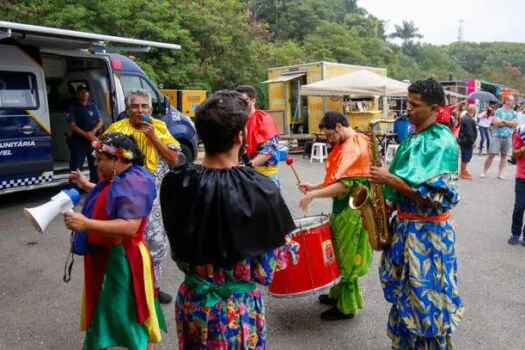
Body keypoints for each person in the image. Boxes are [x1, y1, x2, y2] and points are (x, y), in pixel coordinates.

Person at [160, 90, 298, 348]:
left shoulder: (176, 181)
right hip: (236, 310)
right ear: (240, 136)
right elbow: (269, 268)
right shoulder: (259, 188)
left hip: (192, 302)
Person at [370, 79, 464, 349]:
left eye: (414, 105)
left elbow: (438, 198)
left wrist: (391, 181)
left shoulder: (441, 140)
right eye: (407, 103)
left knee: (428, 303)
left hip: (428, 236)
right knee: (406, 298)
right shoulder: (412, 137)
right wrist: (387, 203)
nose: (407, 109)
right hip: (406, 230)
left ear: (434, 108)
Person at [65, 133, 166, 350]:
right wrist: (87, 185)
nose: (96, 162)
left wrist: (86, 224)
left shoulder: (135, 181)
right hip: (110, 255)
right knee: (108, 305)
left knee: (126, 307)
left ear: (117, 159)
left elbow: (129, 227)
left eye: (100, 158)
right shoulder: (120, 177)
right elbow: (112, 197)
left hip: (124, 259)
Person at [104, 89, 180, 304]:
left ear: (150, 109)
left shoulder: (159, 127)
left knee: (156, 242)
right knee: (123, 242)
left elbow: (174, 159)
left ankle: (153, 287)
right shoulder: (116, 130)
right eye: (135, 106)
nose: (140, 111)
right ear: (127, 109)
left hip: (152, 195)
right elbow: (101, 162)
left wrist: (153, 136)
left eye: (144, 106)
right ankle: (126, 289)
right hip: (123, 194)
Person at [297, 111, 373, 321]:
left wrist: (313, 195)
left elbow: (343, 186)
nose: (329, 140)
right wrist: (313, 186)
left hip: (353, 211)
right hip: (344, 209)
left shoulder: (355, 146)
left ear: (339, 126)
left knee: (347, 255)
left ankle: (347, 306)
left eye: (329, 135)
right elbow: (336, 178)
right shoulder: (345, 144)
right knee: (338, 251)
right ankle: (337, 293)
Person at [235, 85, 281, 188]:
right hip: (243, 175)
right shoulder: (237, 121)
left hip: (264, 177)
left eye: (243, 100)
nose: (240, 104)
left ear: (253, 100)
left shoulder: (264, 119)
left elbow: (269, 150)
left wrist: (248, 166)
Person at [67, 85, 104, 183]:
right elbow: (71, 125)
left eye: (86, 92)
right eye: (82, 91)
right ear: (77, 94)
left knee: (95, 164)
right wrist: (85, 134)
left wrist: (93, 132)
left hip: (92, 141)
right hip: (78, 141)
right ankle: (73, 189)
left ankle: (94, 187)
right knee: (76, 166)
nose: (84, 94)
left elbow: (100, 121)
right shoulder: (73, 107)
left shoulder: (93, 106)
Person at [481, 96, 518, 179]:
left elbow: (515, 124)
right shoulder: (499, 111)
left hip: (508, 136)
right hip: (497, 135)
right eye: (510, 100)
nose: (512, 102)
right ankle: (484, 171)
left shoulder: (514, 113)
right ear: (506, 101)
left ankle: (500, 173)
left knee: (504, 155)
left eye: (513, 100)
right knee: (491, 155)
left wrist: (503, 121)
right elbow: (496, 123)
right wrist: (509, 123)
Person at [508, 125, 525, 245]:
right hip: (522, 176)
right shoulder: (521, 132)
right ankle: (515, 233)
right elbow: (515, 154)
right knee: (519, 207)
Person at [458, 105, 478, 180]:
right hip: (466, 141)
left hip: (465, 140)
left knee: (466, 157)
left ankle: (464, 170)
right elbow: (469, 132)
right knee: (465, 158)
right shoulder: (468, 119)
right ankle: (462, 172)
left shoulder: (466, 118)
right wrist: (472, 142)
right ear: (473, 111)